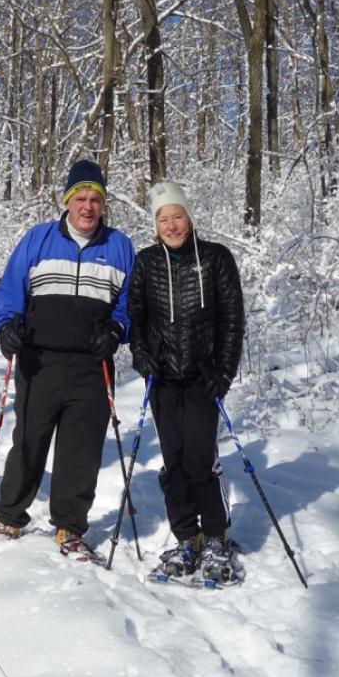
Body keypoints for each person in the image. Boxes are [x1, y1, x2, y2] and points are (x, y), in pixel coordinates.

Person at [0, 159, 135, 560]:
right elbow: (9, 291)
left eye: (95, 199)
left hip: (92, 365)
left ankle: (70, 527)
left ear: (103, 204)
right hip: (40, 361)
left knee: (81, 449)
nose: (88, 207)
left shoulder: (119, 246)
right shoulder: (37, 239)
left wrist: (118, 330)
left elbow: (129, 306)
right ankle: (10, 516)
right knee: (29, 441)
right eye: (80, 198)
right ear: (67, 201)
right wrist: (6, 326)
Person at [128, 180, 245, 582]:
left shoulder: (215, 259)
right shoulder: (146, 263)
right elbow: (136, 316)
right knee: (173, 463)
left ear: (189, 217)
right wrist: (141, 354)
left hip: (201, 377)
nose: (172, 225)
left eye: (178, 216)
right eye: (164, 219)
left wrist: (223, 370)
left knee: (199, 461)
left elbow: (233, 320)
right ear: (155, 224)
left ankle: (214, 536)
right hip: (162, 379)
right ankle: (186, 536)